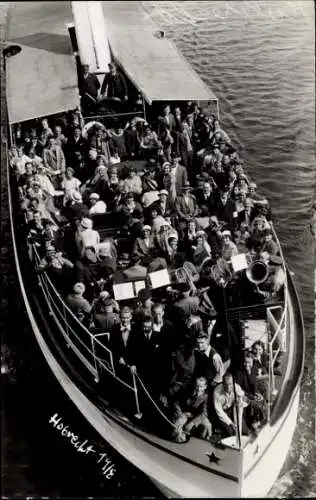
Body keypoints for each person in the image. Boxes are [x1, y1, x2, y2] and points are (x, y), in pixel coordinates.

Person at [172, 376, 212, 443]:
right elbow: (176, 403)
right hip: (184, 414)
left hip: (197, 416)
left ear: (205, 387)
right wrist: (181, 413)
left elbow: (204, 413)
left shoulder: (206, 397)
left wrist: (193, 423)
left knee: (207, 425)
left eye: (201, 387)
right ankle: (179, 439)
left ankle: (200, 441)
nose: (199, 389)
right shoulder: (187, 391)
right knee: (178, 425)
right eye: (197, 386)